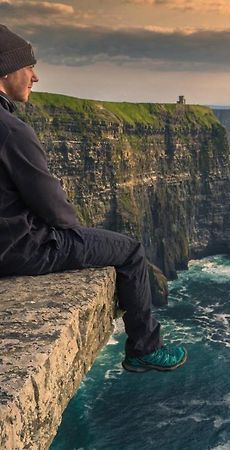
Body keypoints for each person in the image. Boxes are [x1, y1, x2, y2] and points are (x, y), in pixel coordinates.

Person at [0, 24, 187, 373]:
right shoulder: (12, 130)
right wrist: (71, 233)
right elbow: (51, 205)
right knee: (130, 250)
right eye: (29, 67)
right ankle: (144, 348)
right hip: (19, 251)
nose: (35, 77)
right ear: (6, 71)